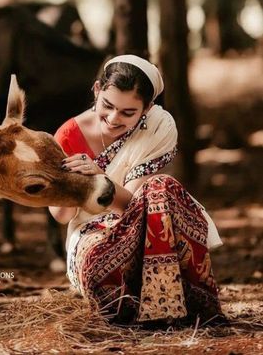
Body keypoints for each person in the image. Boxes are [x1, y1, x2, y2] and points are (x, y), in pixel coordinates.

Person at [49, 54, 223, 324]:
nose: (114, 118)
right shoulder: (68, 135)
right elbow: (60, 216)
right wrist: (74, 183)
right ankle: (137, 307)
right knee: (99, 266)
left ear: (147, 108)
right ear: (97, 90)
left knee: (161, 187)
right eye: (107, 105)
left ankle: (183, 304)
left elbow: (131, 207)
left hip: (143, 221)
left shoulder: (158, 126)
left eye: (128, 112)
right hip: (92, 231)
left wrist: (100, 179)